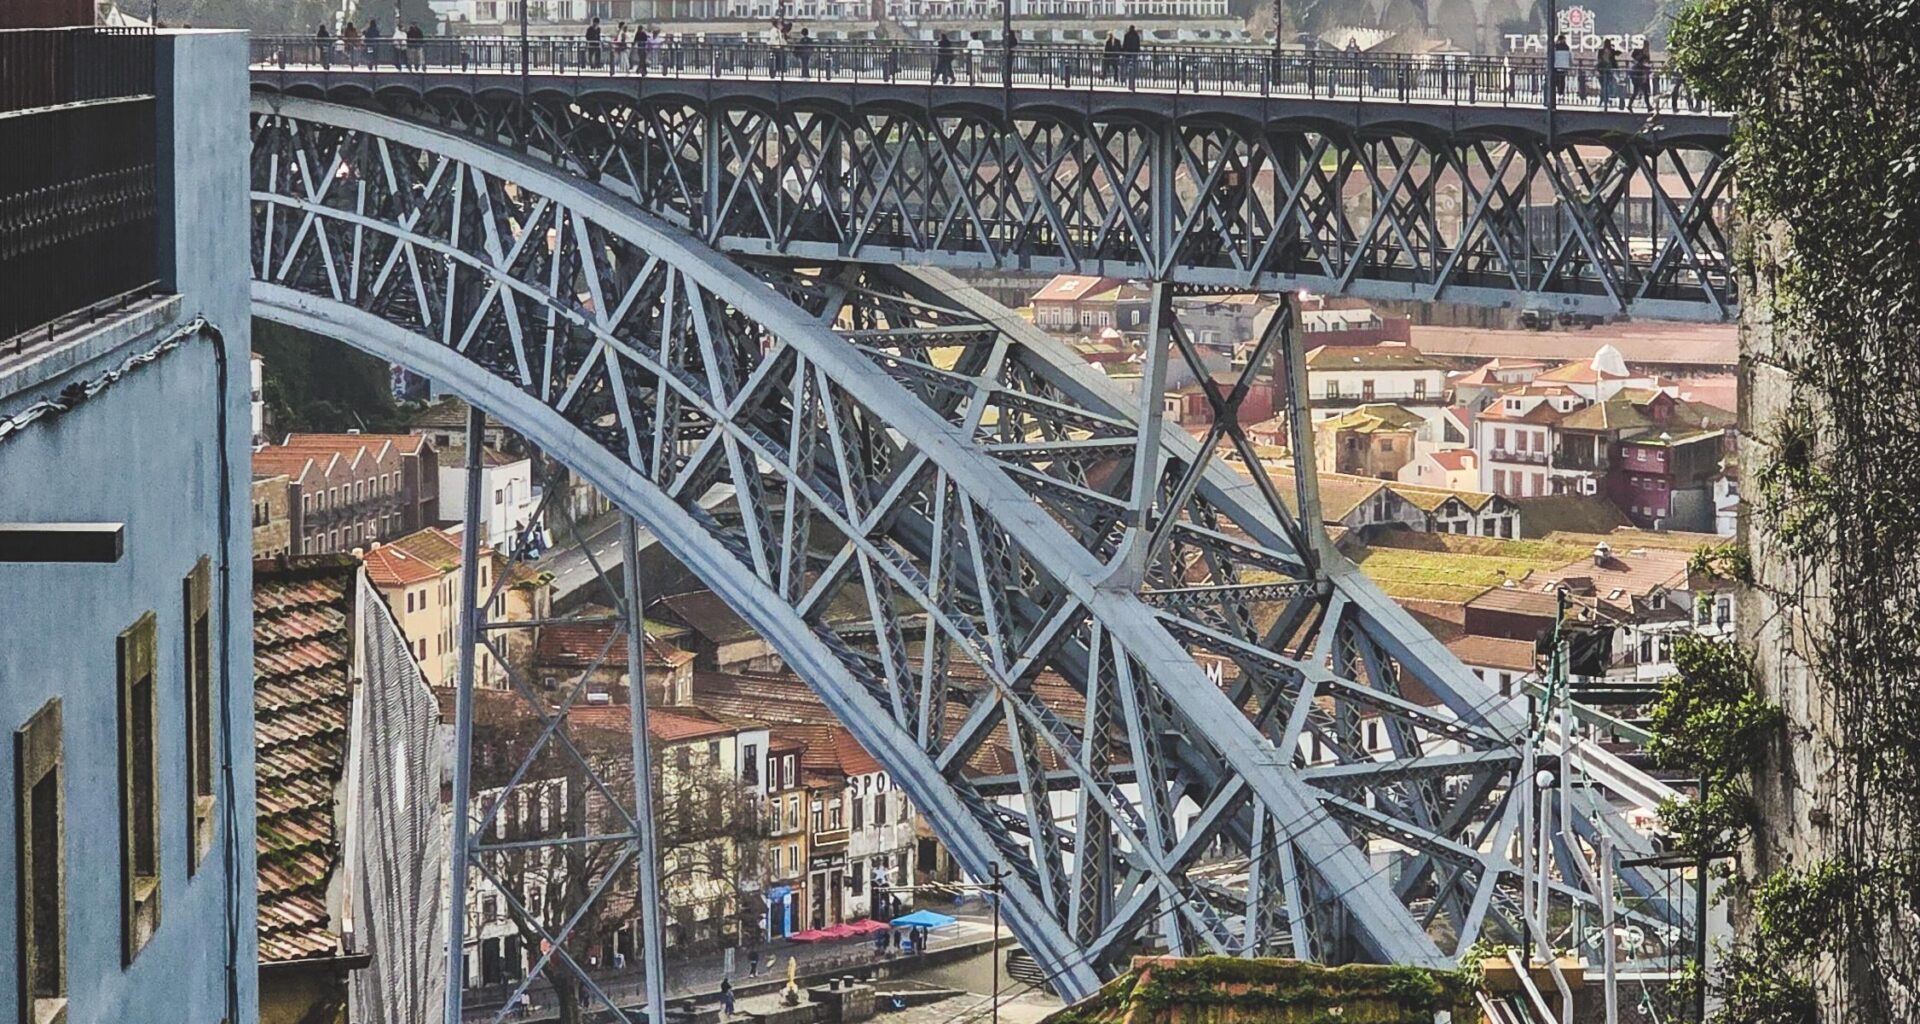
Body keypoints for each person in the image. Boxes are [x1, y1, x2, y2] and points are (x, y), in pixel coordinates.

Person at [1628, 42, 1653, 112]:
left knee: (1643, 92)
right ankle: (1648, 106)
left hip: (1642, 76)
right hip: (1637, 76)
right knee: (1638, 92)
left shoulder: (1645, 56)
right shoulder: (1637, 57)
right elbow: (1640, 65)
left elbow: (1646, 64)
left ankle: (1648, 106)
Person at [1596, 38, 1619, 109]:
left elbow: (1598, 62)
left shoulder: (1601, 52)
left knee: (1604, 87)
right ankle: (1605, 100)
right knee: (1605, 87)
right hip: (1606, 71)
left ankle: (1603, 100)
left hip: (1604, 72)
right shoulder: (1610, 52)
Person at [1551, 32, 1571, 98]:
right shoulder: (1567, 47)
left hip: (1557, 65)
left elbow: (1552, 56)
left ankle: (1558, 90)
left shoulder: (1556, 47)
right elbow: (1570, 57)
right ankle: (1561, 91)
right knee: (1562, 79)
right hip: (1564, 66)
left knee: (1556, 79)